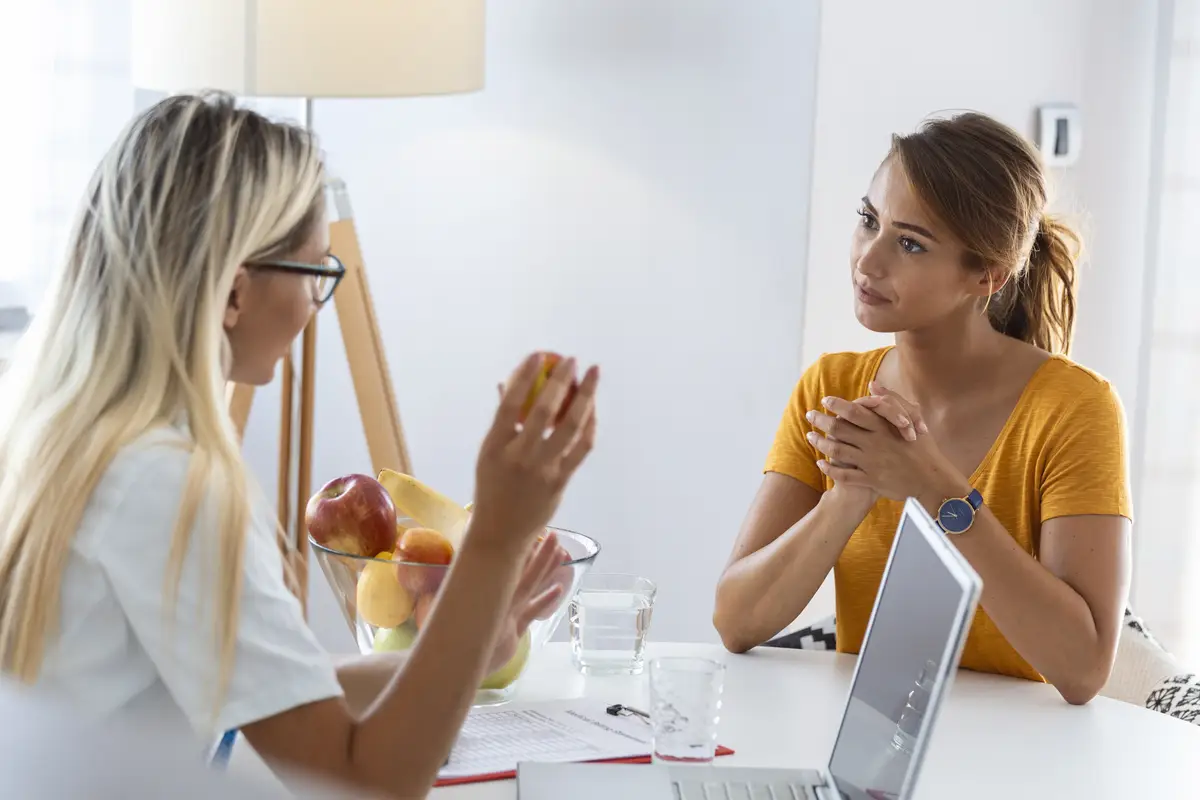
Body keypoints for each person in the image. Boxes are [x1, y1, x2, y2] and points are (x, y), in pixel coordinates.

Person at [0, 91, 599, 798]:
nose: (317, 311)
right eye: (317, 275)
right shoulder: (171, 489)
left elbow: (288, 700)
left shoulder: (61, 443)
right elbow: (366, 783)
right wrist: (499, 533)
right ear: (232, 294)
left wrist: (473, 648)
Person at [713, 111, 1132, 706]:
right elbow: (737, 621)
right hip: (871, 741)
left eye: (909, 243)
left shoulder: (1074, 408)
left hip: (1028, 759)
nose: (868, 260)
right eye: (868, 221)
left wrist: (933, 489)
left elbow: (1084, 669)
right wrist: (851, 493)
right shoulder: (831, 386)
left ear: (988, 274)